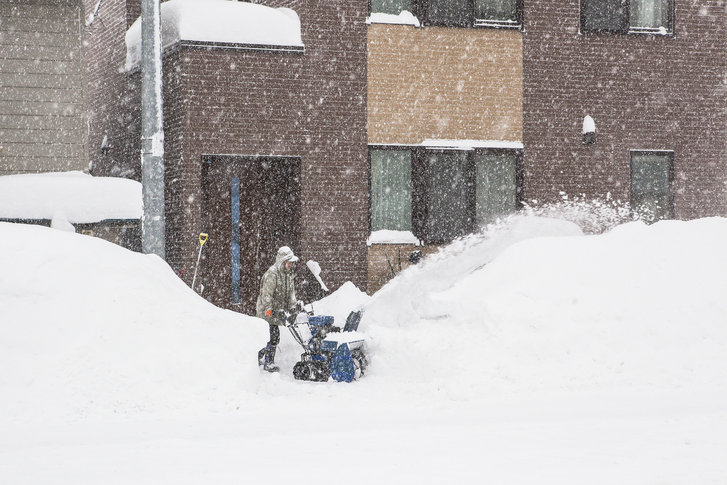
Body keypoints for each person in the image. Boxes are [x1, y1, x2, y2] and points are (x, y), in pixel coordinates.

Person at [256, 246, 299, 372]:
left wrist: (293, 307)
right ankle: (267, 361)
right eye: (289, 262)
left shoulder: (287, 275)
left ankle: (261, 358)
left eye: (292, 263)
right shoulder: (272, 274)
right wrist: (269, 309)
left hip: (278, 311)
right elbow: (266, 294)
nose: (291, 265)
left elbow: (291, 293)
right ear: (282, 261)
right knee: (271, 336)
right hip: (267, 311)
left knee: (274, 336)